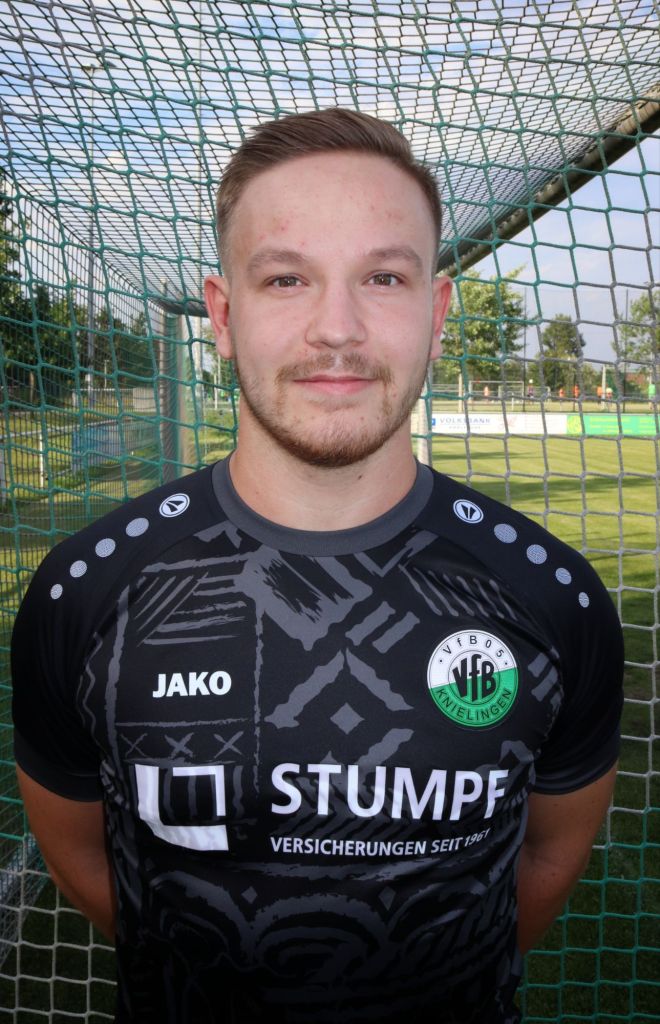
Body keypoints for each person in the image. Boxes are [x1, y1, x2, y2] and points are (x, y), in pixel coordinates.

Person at [11, 108, 623, 1024]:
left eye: (383, 277)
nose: (337, 328)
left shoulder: (552, 593)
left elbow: (542, 862)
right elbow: (82, 857)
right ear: (224, 315)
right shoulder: (85, 589)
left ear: (436, 313)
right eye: (287, 278)